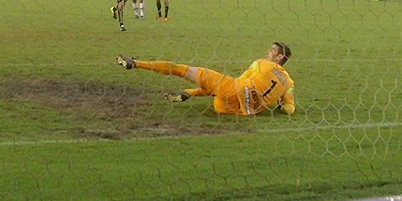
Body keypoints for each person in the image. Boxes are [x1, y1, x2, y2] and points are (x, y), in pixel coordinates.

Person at [115, 42, 295, 116]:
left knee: (182, 70)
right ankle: (189, 93)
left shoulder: (262, 64)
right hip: (234, 110)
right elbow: (289, 109)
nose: (267, 52)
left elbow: (237, 84)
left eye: (272, 50)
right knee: (225, 89)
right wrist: (279, 105)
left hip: (226, 95)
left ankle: (137, 63)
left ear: (280, 57)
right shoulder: (288, 83)